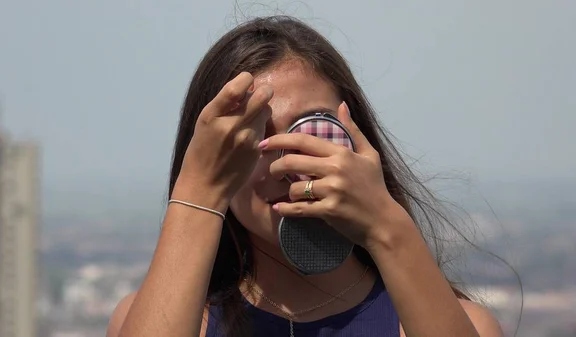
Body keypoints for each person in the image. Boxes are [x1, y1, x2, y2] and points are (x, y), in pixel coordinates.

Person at [106, 16, 503, 337]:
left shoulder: (452, 326)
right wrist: (198, 194)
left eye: (313, 129)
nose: (286, 160)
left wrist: (386, 225)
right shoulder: (151, 322)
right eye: (254, 135)